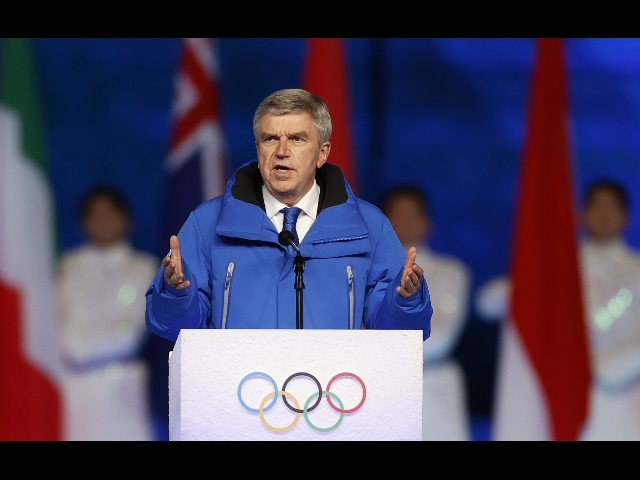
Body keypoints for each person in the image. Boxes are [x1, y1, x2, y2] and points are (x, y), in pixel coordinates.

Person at [145, 88, 432, 343]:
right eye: (270, 139)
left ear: (322, 153)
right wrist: (175, 293)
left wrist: (406, 301)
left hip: (333, 386)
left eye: (297, 139)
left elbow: (398, 335)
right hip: (237, 386)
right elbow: (173, 327)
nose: (281, 151)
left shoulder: (369, 225)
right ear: (258, 150)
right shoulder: (207, 222)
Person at [476, 179, 640, 441]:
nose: (604, 215)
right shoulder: (559, 265)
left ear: (626, 217)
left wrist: (600, 366)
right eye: (597, 207)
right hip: (562, 400)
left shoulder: (637, 270)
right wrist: (543, 257)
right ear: (580, 215)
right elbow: (488, 303)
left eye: (612, 208)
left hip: (625, 400)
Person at [57, 186, 157, 441]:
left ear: (126, 220)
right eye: (95, 215)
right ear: (84, 224)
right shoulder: (66, 267)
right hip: (74, 389)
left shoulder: (144, 268)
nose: (103, 221)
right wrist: (72, 344)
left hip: (120, 389)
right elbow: (54, 331)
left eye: (110, 213)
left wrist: (75, 344)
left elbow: (128, 336)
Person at [381, 185, 472, 441]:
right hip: (381, 386)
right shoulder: (365, 271)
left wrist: (377, 344)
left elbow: (440, 337)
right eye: (397, 214)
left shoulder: (450, 272)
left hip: (431, 387)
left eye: (413, 213)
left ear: (427, 223)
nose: (405, 221)